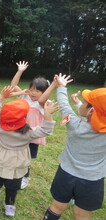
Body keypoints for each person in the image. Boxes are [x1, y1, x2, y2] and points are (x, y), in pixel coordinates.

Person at [0, 86, 57, 218]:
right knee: (12, 187)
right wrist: (48, 114)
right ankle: (10, 207)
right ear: (24, 117)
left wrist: (1, 96)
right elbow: (46, 130)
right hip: (17, 164)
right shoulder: (29, 132)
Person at [42, 74, 106, 220]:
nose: (81, 104)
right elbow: (93, 116)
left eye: (85, 102)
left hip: (66, 174)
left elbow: (64, 106)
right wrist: (79, 104)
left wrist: (62, 87)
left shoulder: (75, 125)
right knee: (82, 214)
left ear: (91, 111)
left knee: (57, 207)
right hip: (92, 180)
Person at [10, 61, 51, 189]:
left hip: (32, 136)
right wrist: (20, 71)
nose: (33, 93)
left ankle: (25, 177)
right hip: (19, 132)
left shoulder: (43, 103)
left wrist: (53, 86)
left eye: (38, 91)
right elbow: (13, 85)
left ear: (44, 92)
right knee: (16, 153)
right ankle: (14, 173)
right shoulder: (25, 96)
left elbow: (43, 99)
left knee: (26, 159)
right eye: (32, 89)